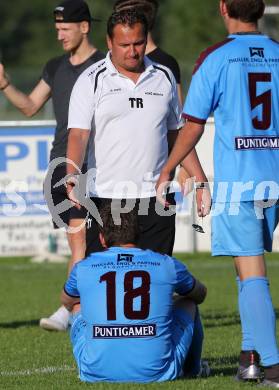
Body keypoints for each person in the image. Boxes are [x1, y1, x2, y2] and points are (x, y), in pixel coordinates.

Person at [157, 0, 279, 386]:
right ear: (260, 10)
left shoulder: (216, 58)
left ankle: (273, 366)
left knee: (252, 271)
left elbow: (191, 126)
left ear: (223, 8)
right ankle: (250, 357)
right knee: (247, 272)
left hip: (241, 180)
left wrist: (168, 167)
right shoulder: (277, 53)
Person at [66, 9, 210, 258]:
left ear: (147, 39)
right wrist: (72, 175)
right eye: (124, 45)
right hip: (106, 199)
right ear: (109, 42)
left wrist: (199, 180)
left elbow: (178, 135)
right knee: (106, 286)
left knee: (156, 284)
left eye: (138, 43)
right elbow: (79, 135)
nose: (132, 51)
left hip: (157, 199)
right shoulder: (91, 80)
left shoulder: (163, 77)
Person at [0, 0, 105, 331]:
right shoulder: (54, 66)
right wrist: (4, 85)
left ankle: (74, 308)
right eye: (56, 29)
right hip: (63, 165)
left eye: (65, 29)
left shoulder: (106, 66)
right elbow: (30, 106)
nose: (59, 35)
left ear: (84, 27)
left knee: (92, 240)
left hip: (99, 164)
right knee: (80, 241)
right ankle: (77, 308)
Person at [61, 205, 209, 383]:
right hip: (156, 372)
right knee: (188, 302)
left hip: (94, 372)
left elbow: (67, 301)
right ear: (139, 233)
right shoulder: (166, 263)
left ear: (101, 238)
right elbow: (199, 294)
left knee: (77, 305)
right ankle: (193, 369)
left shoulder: (83, 267)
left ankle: (96, 361)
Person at [113, 0, 191, 191]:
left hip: (157, 168)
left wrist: (184, 166)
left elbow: (178, 119)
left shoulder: (165, 65)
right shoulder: (110, 63)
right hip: (117, 171)